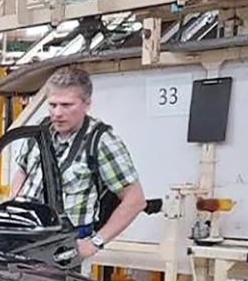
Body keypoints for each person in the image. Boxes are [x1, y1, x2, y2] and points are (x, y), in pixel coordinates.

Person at [10, 65, 146, 259]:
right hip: (24, 241)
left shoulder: (100, 141)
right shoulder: (41, 131)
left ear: (87, 104)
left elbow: (135, 200)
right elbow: (22, 171)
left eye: (66, 105)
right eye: (52, 105)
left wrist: (95, 243)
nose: (57, 113)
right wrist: (13, 206)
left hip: (65, 250)